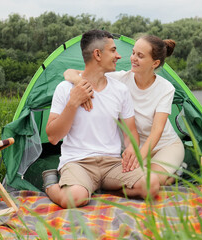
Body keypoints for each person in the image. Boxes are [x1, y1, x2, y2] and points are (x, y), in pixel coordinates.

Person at [45, 30, 160, 209]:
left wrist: (131, 149)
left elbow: (130, 132)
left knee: (151, 184)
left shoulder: (120, 90)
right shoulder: (65, 88)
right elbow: (52, 137)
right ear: (97, 54)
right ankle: (51, 185)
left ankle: (99, 187)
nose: (119, 55)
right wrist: (73, 102)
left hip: (111, 164)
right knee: (75, 198)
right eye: (113, 50)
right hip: (78, 162)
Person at [64, 35, 185, 186]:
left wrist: (137, 159)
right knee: (131, 181)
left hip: (165, 146)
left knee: (148, 182)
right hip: (135, 146)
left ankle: (175, 172)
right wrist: (80, 83)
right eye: (133, 53)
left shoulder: (165, 88)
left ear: (155, 63)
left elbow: (157, 130)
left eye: (140, 56)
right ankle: (168, 173)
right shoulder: (119, 79)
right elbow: (69, 72)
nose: (133, 58)